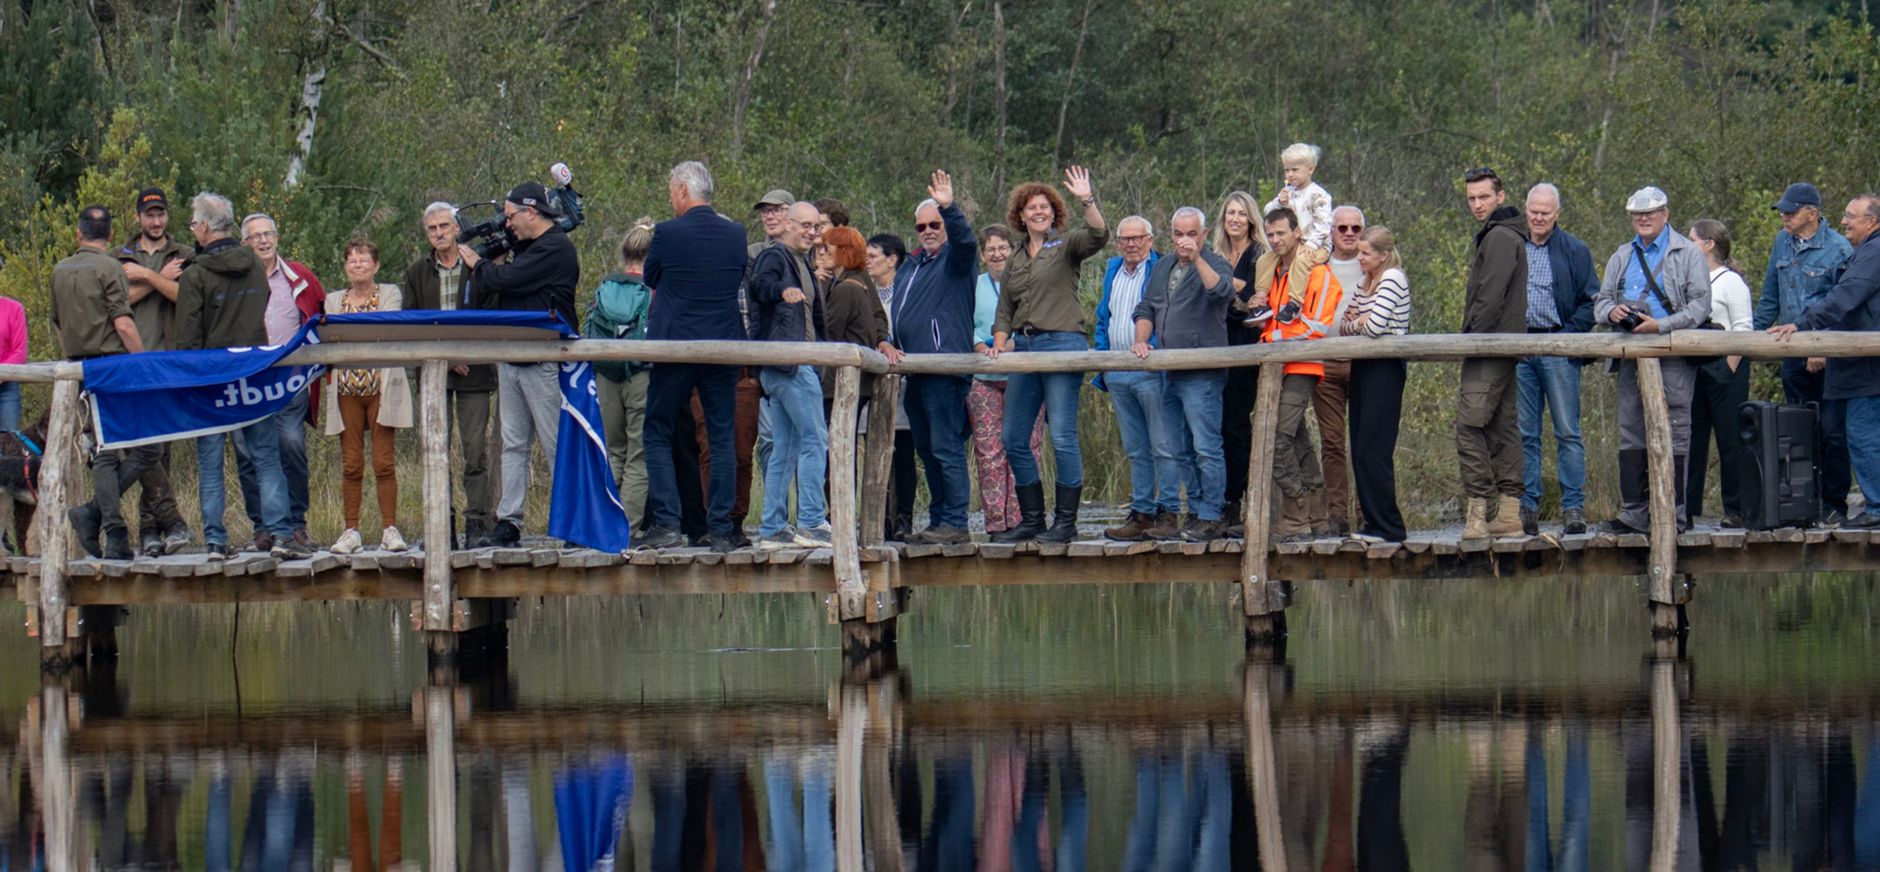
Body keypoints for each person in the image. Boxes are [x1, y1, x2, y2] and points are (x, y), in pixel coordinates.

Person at [172, 192, 301, 559]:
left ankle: (215, 540)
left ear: (207, 227)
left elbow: (187, 336)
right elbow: (258, 308)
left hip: (211, 379)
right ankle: (280, 534)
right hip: (253, 372)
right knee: (266, 456)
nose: (193, 230)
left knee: (211, 462)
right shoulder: (256, 266)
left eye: (194, 223)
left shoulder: (195, 274)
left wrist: (188, 382)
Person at [988, 167, 1109, 543]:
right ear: (1020, 216)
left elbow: (1099, 235)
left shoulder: (1067, 245)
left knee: (1062, 434)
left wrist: (1087, 199)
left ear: (1053, 213)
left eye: (1044, 207)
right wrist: (998, 340)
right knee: (1012, 437)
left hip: (1062, 345)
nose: (1038, 212)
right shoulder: (1016, 257)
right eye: (1031, 208)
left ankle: (1066, 523)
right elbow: (1005, 307)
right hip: (1024, 349)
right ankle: (1032, 519)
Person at [459, 181, 580, 548]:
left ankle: (574, 521)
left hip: (543, 359)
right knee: (512, 445)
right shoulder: (528, 248)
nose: (507, 224)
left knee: (555, 443)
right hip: (513, 357)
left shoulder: (555, 247)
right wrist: (491, 263)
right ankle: (509, 521)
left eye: (511, 216)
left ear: (532, 212)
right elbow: (498, 288)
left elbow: (507, 278)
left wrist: (477, 262)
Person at [638, 162, 749, 552]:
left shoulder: (667, 233)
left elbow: (650, 277)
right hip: (723, 347)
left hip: (675, 347)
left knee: (657, 430)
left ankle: (668, 523)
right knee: (721, 437)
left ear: (684, 191)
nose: (670, 198)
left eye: (671, 191)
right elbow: (735, 277)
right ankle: (719, 528)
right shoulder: (736, 234)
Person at [1593, 186, 1711, 534]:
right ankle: (1634, 513)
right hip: (1630, 355)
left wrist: (1661, 325)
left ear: (1665, 214)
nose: (1643, 219)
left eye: (1651, 213)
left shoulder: (1687, 253)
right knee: (1631, 431)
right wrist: (1613, 312)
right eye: (1637, 214)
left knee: (1676, 431)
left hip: (1672, 352)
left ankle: (1672, 513)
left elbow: (1700, 306)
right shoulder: (1621, 256)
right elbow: (1599, 302)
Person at [1768, 194, 1880, 526]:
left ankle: (1876, 507)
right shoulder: (1864, 251)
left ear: (1872, 221)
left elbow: (1845, 297)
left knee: (1862, 434)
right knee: (1844, 432)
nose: (1844, 221)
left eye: (1851, 217)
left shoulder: (1874, 252)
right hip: (1850, 366)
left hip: (1867, 366)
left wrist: (1803, 323)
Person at [1129, 207, 1235, 541]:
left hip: (1202, 373)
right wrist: (1141, 341)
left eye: (1191, 234)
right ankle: (1198, 510)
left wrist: (1198, 258)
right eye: (1178, 234)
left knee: (1206, 446)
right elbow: (1146, 307)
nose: (1183, 240)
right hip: (1168, 373)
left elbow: (1222, 293)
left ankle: (1212, 515)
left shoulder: (1215, 263)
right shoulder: (1162, 266)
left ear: (1203, 235)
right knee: (1179, 448)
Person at [51, 205, 149, 559]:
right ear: (109, 235)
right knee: (136, 449)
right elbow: (123, 324)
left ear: (79, 233)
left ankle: (96, 515)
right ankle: (112, 529)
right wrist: (143, 366)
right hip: (112, 367)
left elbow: (60, 326)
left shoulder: (60, 270)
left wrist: (73, 363)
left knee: (106, 448)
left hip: (78, 369)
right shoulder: (110, 267)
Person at [1754, 182, 1855, 525]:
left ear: (1811, 213)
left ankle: (1834, 503)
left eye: (1791, 211)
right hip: (1790, 352)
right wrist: (1750, 341)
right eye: (1783, 211)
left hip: (1827, 354)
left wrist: (1821, 345)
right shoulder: (1782, 242)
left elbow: (1842, 305)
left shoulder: (1840, 250)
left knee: (1831, 431)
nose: (1785, 217)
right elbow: (1771, 296)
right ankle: (1801, 503)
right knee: (1795, 431)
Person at [403, 202, 499, 545]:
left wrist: (462, 353)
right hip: (433, 373)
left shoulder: (477, 265)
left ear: (457, 228)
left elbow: (491, 313)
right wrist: (444, 357)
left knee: (475, 451)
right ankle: (441, 525)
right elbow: (411, 323)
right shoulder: (417, 272)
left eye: (444, 226)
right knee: (435, 450)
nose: (439, 233)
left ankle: (477, 525)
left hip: (475, 370)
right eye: (432, 229)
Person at [889, 170, 973, 545]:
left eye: (934, 223)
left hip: (944, 368)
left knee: (946, 446)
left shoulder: (957, 259)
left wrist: (949, 207)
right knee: (926, 448)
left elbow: (968, 241)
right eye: (921, 226)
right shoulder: (911, 265)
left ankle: (955, 523)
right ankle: (939, 520)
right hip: (914, 371)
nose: (927, 230)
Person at [236, 213, 324, 553]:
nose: (263, 241)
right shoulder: (239, 278)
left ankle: (296, 525)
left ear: (277, 237)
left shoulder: (299, 276)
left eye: (268, 233)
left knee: (290, 444)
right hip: (248, 379)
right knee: (247, 452)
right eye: (255, 236)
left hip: (291, 379)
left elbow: (320, 317)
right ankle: (262, 527)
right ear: (245, 243)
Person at [747, 201, 833, 549]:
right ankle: (811, 521)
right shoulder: (775, 257)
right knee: (816, 439)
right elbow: (759, 287)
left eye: (816, 227)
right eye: (805, 226)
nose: (812, 232)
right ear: (786, 224)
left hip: (795, 365)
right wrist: (781, 291)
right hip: (788, 364)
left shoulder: (803, 263)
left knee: (786, 446)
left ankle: (772, 527)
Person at [1515, 183, 1599, 535]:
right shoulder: (1512, 247)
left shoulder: (1574, 250)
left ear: (1557, 214)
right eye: (1533, 210)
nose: (1538, 217)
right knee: (1524, 434)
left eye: (1545, 212)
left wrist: (1568, 336)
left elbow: (1592, 300)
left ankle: (1573, 508)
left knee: (1567, 431)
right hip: (1519, 349)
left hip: (1558, 346)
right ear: (1526, 209)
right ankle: (1527, 507)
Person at [114, 186, 193, 556]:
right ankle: (162, 526)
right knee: (145, 449)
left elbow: (187, 298)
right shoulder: (119, 257)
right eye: (150, 215)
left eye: (161, 214)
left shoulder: (184, 255)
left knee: (162, 450)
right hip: (130, 362)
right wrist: (159, 278)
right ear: (138, 218)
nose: (156, 221)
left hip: (170, 361)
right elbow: (116, 303)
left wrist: (145, 276)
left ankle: (151, 532)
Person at [1258, 208, 1344, 539]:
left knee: (1277, 439)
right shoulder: (1273, 272)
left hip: (1303, 365)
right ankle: (1318, 516)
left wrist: (1270, 337)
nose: (1276, 240)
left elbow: (1317, 326)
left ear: (1297, 233)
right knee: (1297, 440)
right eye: (1271, 234)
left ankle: (1296, 513)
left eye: (1282, 233)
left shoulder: (1318, 273)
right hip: (1276, 367)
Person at [321, 239, 412, 554]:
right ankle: (351, 530)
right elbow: (331, 337)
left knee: (384, 462)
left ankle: (390, 528)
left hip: (381, 386)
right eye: (352, 261)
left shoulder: (390, 294)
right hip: (346, 389)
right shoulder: (332, 300)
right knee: (351, 464)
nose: (357, 265)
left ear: (376, 265)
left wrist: (351, 335)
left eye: (363, 260)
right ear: (345, 267)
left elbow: (385, 328)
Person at [1456, 167, 1531, 540]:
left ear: (1500, 196)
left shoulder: (1501, 237)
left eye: (1483, 196)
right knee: (1503, 425)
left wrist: (1471, 339)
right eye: (1471, 198)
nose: (1477, 204)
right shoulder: (1502, 235)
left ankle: (1478, 513)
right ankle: (1509, 513)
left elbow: (1490, 296)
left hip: (1489, 345)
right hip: (1501, 345)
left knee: (1468, 426)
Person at [1094, 215, 1176, 541]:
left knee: (1163, 445)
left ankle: (1168, 513)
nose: (1131, 244)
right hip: (1117, 372)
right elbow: (1105, 315)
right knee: (1135, 448)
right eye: (1125, 239)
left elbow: (1165, 314)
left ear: (1150, 240)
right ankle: (1141, 513)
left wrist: (1153, 349)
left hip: (1149, 371)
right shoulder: (1113, 269)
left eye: (1137, 238)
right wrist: (1102, 358)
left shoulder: (1162, 268)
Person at [584, 220, 656, 530]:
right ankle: (628, 526)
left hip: (606, 373)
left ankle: (604, 522)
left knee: (614, 451)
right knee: (638, 454)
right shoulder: (652, 291)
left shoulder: (605, 287)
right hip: (640, 373)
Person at [969, 225, 1039, 536]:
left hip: (1024, 373)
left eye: (1003, 248)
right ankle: (998, 522)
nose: (997, 254)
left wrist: (1015, 343)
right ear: (983, 255)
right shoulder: (974, 285)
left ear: (1013, 251)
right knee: (989, 450)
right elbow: (961, 321)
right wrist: (979, 344)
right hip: (983, 375)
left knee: (1026, 446)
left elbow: (1042, 319)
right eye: (990, 249)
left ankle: (1026, 518)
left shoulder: (1030, 280)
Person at [1344, 225, 1412, 543]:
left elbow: (1372, 326)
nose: (1359, 257)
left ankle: (1390, 524)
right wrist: (1357, 321)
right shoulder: (1364, 281)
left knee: (1376, 447)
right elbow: (1344, 324)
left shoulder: (1392, 278)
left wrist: (1360, 320)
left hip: (1385, 367)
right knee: (1359, 446)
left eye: (1365, 253)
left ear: (1383, 255)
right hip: (1362, 365)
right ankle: (1373, 521)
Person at [1686, 219, 1754, 527]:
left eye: (1692, 240)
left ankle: (1736, 509)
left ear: (1709, 243)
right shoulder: (1690, 280)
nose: (1688, 246)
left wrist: (1728, 368)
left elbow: (1743, 328)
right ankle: (1686, 509)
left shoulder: (1731, 282)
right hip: (1695, 368)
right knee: (1692, 441)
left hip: (1726, 368)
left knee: (1730, 441)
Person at [1213, 191, 1266, 529]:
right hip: (1216, 345)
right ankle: (1221, 500)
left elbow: (1256, 300)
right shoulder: (1215, 253)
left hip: (1246, 346)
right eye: (1230, 213)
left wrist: (1229, 289)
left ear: (1250, 219)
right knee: (1216, 427)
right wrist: (1235, 290)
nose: (1235, 219)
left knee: (1236, 425)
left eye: (1241, 213)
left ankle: (1239, 499)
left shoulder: (1259, 253)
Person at [867, 233, 920, 540]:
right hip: (874, 384)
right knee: (877, 451)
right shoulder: (864, 290)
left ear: (892, 259)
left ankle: (903, 520)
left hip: (905, 381)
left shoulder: (909, 289)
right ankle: (879, 520)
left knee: (903, 453)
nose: (867, 261)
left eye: (873, 256)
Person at [1316, 205, 1365, 535]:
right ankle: (1337, 514)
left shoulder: (1373, 264)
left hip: (1364, 362)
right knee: (1332, 442)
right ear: (1331, 231)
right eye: (1342, 228)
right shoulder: (1318, 266)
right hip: (1326, 361)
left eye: (1355, 228)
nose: (1349, 234)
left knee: (1365, 441)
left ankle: (1367, 511)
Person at [1262, 143, 1335, 298]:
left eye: (1295, 170)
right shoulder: (1288, 192)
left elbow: (1323, 225)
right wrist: (1279, 203)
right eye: (1287, 170)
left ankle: (1294, 301)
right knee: (1265, 259)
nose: (1290, 174)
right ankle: (1261, 296)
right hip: (1294, 243)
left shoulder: (1319, 195)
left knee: (1301, 261)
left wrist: (1311, 243)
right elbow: (1268, 212)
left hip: (1317, 245)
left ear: (1310, 169)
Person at [0, 292, 21, 430]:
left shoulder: (14, 309)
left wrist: (2, 373)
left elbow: (20, 351)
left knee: (10, 440)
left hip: (7, 387)